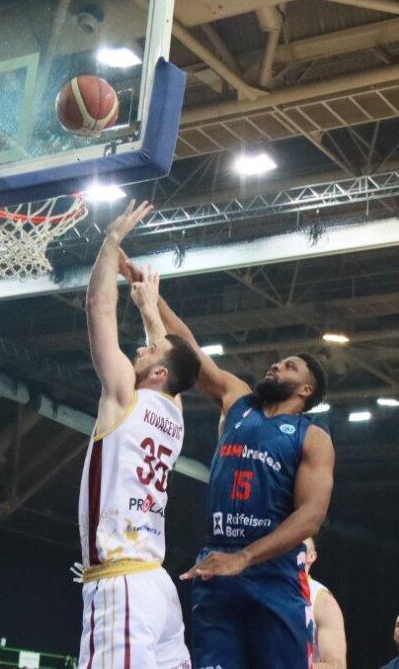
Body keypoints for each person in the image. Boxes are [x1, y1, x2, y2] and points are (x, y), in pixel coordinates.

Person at [125, 247, 335, 669]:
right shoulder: (239, 400)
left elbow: (310, 518)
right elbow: (191, 351)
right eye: (278, 362)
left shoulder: (312, 435)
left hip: (273, 577)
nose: (276, 366)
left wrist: (246, 557)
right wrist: (150, 296)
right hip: (218, 566)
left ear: (306, 390)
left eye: (289, 367)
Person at [76, 201, 203, 669]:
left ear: (158, 372)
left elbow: (97, 307)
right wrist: (150, 309)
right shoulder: (174, 414)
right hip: (157, 585)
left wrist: (111, 241)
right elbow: (173, 363)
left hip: (122, 583)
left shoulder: (124, 396)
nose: (140, 350)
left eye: (148, 352)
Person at [299, 540, 345, 669]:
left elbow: (337, 666)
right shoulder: (265, 590)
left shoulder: (322, 600)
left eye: (296, 546)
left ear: (311, 556)